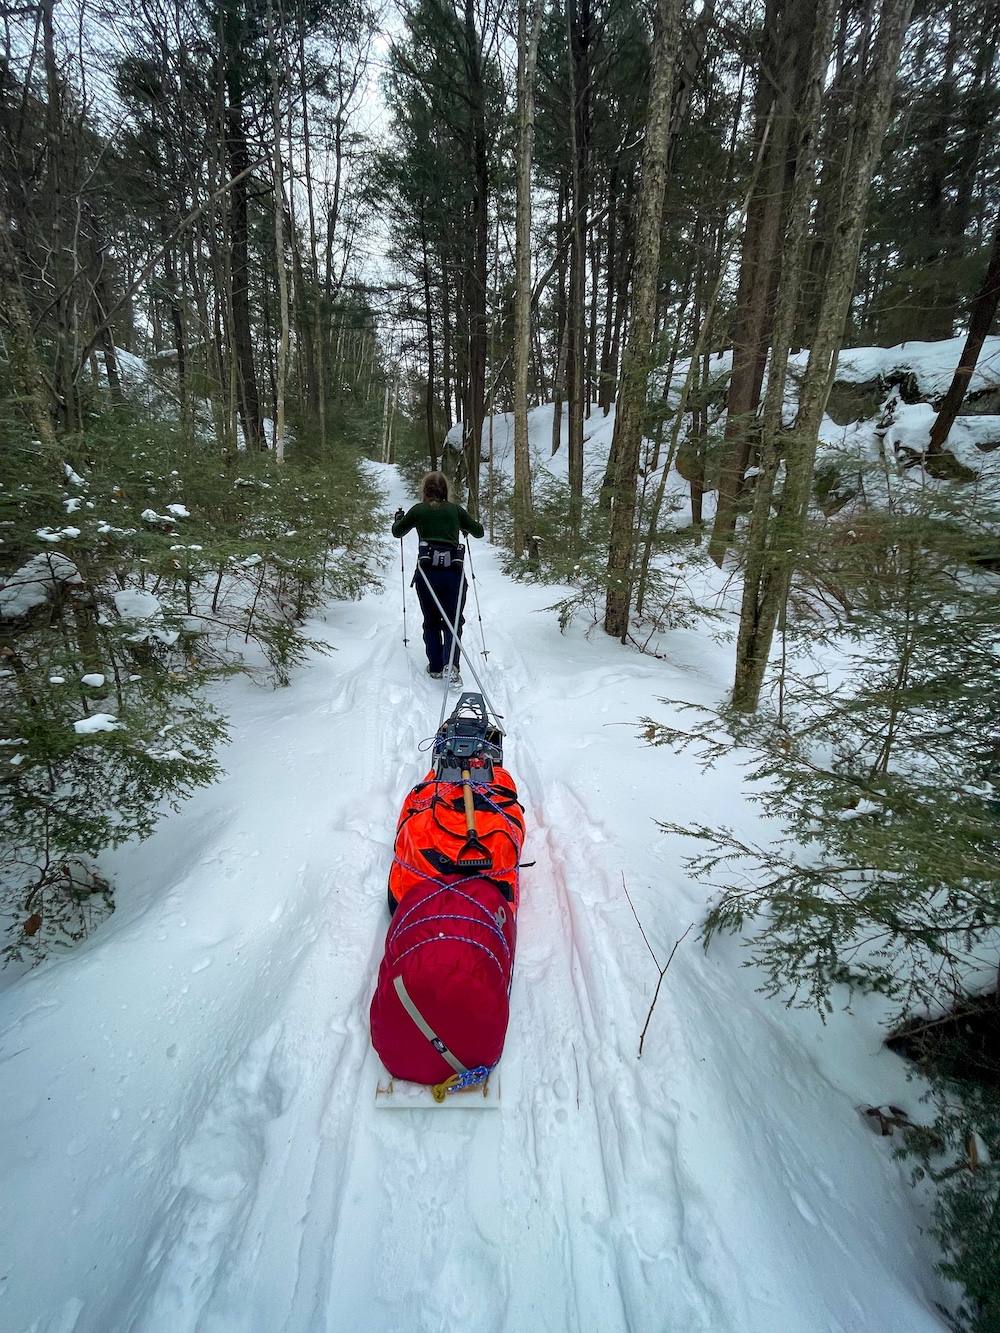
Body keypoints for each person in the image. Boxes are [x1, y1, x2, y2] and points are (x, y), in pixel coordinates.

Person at [392, 472, 484, 684]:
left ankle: (435, 666)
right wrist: (467, 523)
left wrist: (399, 519)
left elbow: (398, 532)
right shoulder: (455, 511)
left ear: (425, 490)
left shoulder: (418, 510)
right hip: (453, 573)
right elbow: (478, 532)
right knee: (453, 621)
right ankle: (451, 665)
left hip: (426, 574)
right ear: (445, 490)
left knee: (431, 620)